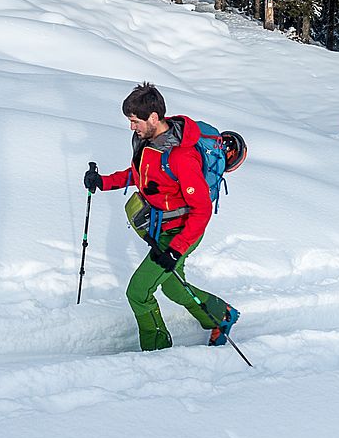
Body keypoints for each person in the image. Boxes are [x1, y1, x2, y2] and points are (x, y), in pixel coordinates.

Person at [83, 82, 239, 351]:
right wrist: (104, 182)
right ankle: (221, 315)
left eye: (135, 121)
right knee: (174, 288)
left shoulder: (182, 157)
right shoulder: (149, 142)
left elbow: (201, 211)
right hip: (161, 227)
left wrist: (175, 251)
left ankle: (156, 351)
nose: (132, 127)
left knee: (138, 293)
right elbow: (141, 174)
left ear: (153, 117)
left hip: (182, 232)